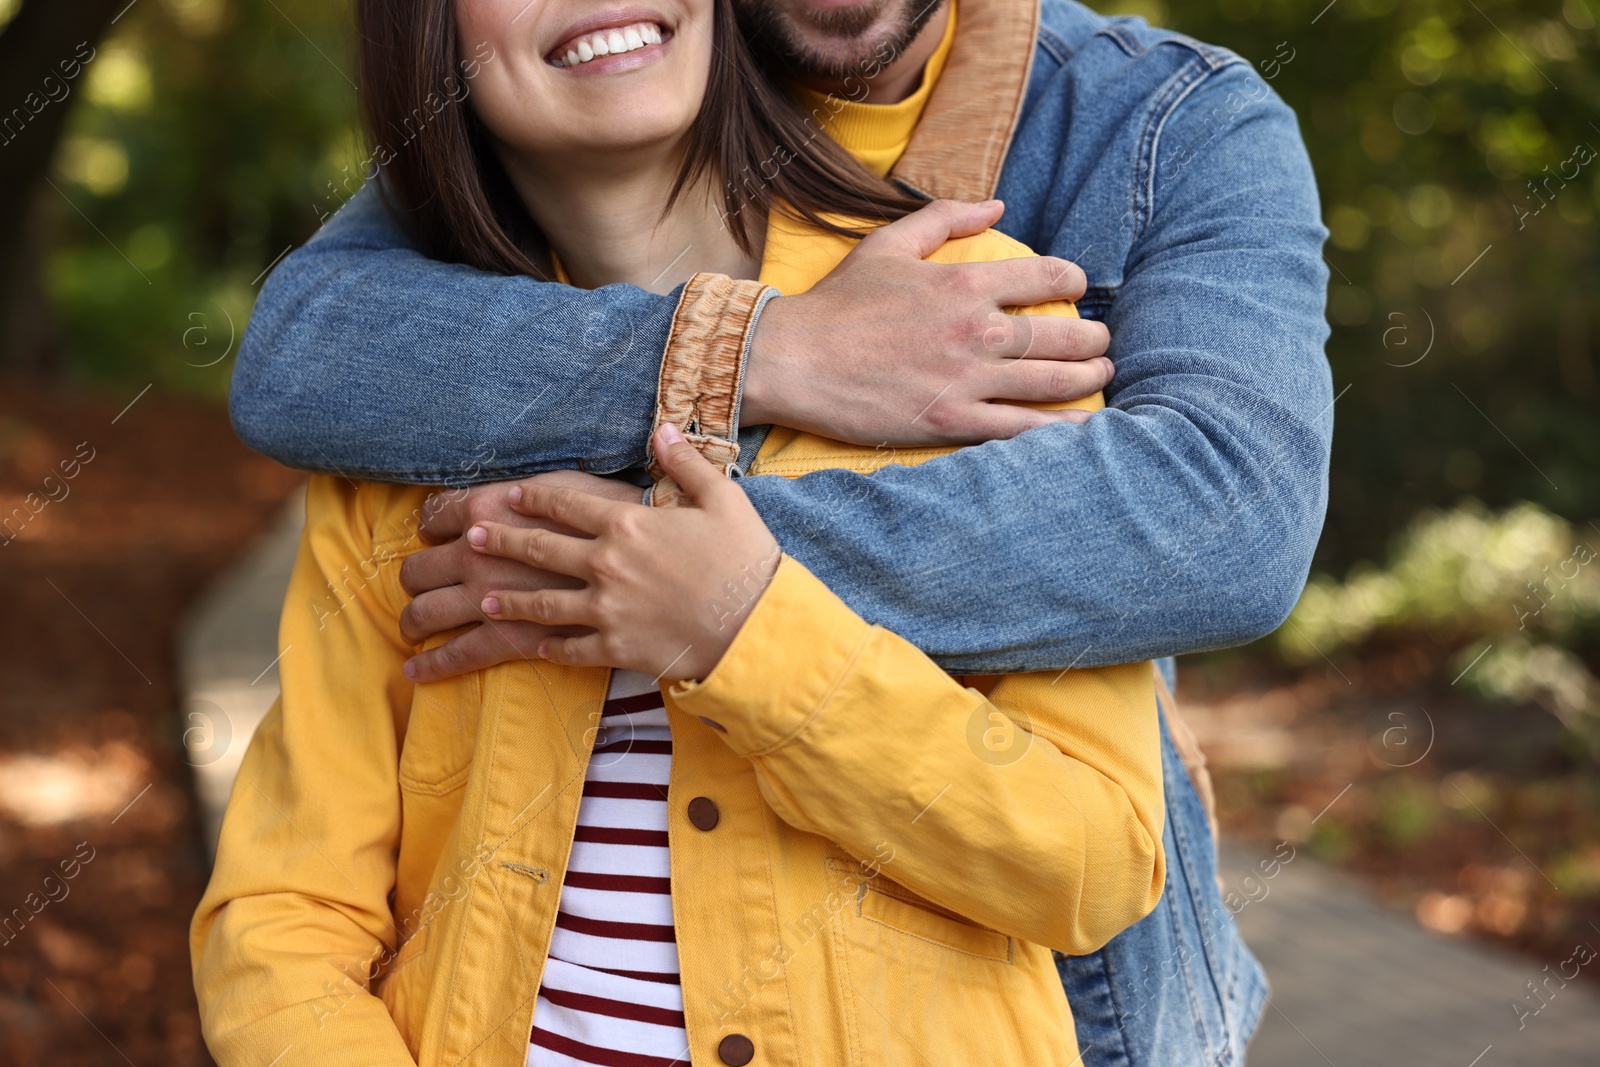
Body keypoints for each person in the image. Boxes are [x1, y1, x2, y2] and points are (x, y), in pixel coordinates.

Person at [227, 0, 1333, 1063]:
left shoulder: (1075, 225)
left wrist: (704, 586)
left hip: (1102, 1002)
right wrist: (763, 351)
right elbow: (304, 348)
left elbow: (1228, 521)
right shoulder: (435, 379)